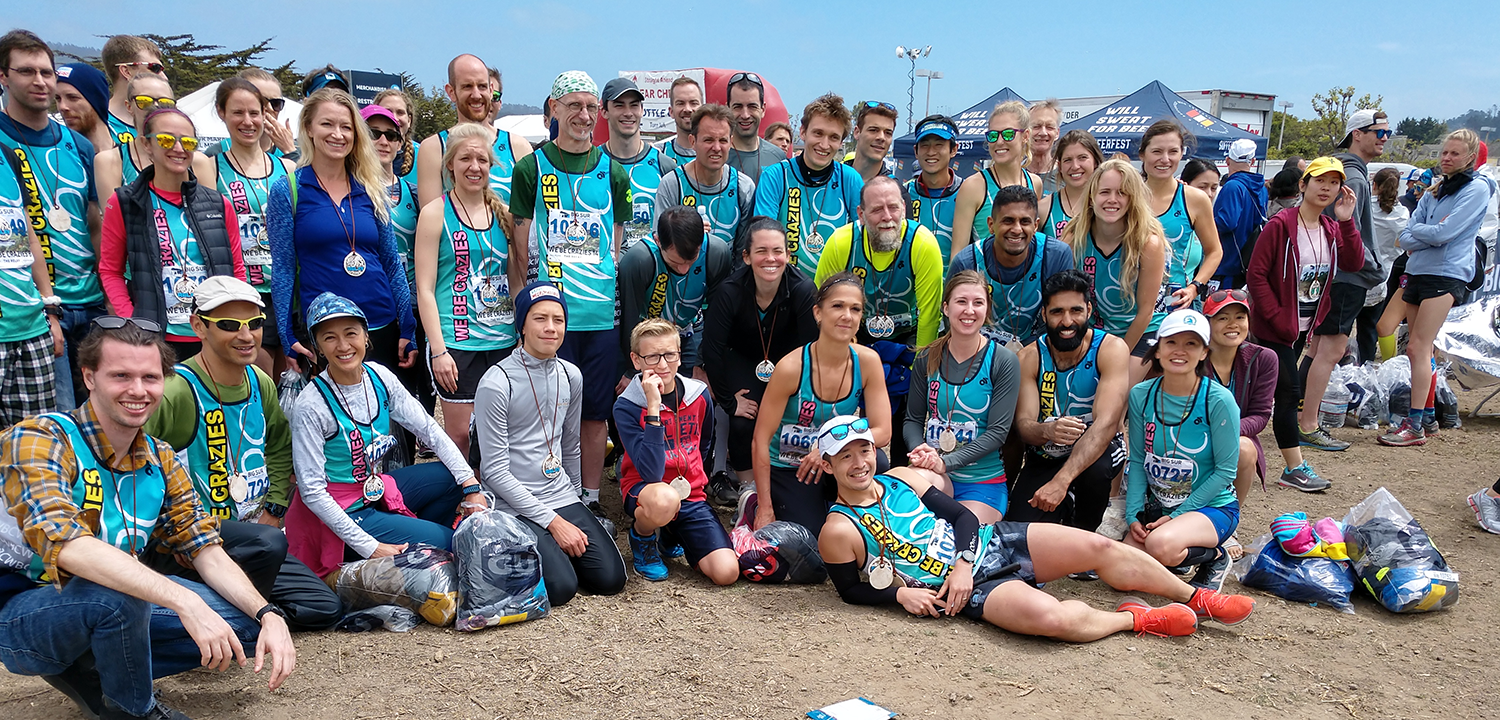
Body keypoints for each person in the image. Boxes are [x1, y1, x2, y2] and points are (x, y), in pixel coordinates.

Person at [0, 318, 295, 720]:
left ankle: (99, 671)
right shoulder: (41, 437)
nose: (138, 390)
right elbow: (67, 545)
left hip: (107, 602)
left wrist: (268, 613)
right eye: (121, 376)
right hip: (23, 609)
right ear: (89, 377)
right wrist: (185, 600)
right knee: (120, 595)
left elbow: (203, 546)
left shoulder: (160, 456)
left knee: (243, 627)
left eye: (150, 377)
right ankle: (132, 709)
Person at [816, 415, 1254, 640]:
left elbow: (963, 517)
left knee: (1099, 547)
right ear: (830, 465)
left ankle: (1196, 597)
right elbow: (850, 590)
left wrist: (964, 562)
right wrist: (899, 595)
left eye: (864, 450)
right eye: (845, 456)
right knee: (1052, 619)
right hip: (964, 589)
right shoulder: (838, 529)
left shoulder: (901, 478)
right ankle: (1135, 619)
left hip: (987, 544)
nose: (859, 463)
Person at [143, 277, 343, 631]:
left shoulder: (259, 381)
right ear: (198, 326)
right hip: (192, 541)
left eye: (255, 323)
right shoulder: (176, 390)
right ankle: (218, 613)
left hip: (251, 538)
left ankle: (231, 613)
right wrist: (174, 533)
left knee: (323, 607)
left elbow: (279, 446)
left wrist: (275, 508)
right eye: (229, 325)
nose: (247, 335)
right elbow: (134, 468)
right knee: (269, 544)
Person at [284, 293, 484, 578]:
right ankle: (406, 548)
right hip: (344, 509)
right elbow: (312, 492)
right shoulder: (311, 405)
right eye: (329, 338)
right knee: (450, 542)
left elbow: (429, 430)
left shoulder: (379, 376)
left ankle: (416, 545)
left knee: (451, 478)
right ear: (317, 347)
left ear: (366, 336)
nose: (343, 346)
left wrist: (470, 485)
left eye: (351, 333)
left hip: (374, 488)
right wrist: (372, 547)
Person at [509, 71, 631, 511]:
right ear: (554, 109)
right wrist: (522, 312)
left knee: (594, 412)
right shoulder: (530, 167)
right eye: (574, 105)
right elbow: (519, 247)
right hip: (550, 315)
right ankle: (550, 497)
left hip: (599, 316)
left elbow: (615, 247)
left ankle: (591, 498)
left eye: (591, 107)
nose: (583, 115)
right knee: (547, 414)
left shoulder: (613, 171)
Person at [473, 281, 628, 606]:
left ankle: (553, 548)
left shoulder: (571, 375)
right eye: (540, 318)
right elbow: (494, 472)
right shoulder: (497, 383)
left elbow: (570, 444)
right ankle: (539, 550)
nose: (551, 328)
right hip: (514, 503)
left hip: (559, 494)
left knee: (610, 579)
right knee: (561, 589)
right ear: (522, 326)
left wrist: (577, 500)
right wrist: (554, 523)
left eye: (558, 320)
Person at [266, 89, 417, 380]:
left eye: (346, 127)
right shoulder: (288, 190)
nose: (338, 134)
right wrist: (286, 335)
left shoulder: (370, 187)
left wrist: (407, 327)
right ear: (308, 128)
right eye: (327, 124)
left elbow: (390, 262)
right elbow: (283, 269)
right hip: (327, 331)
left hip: (380, 325)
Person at [0, 31, 105, 410]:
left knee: (98, 414)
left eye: (47, 72)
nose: (41, 81)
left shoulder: (79, 145)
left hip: (91, 305)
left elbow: (94, 223)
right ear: (3, 77)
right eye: (27, 71)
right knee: (53, 418)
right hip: (33, 312)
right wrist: (46, 304)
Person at [1246, 157, 1362, 490]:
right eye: (1319, 180)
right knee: (1288, 393)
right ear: (1303, 184)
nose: (1326, 188)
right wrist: (1275, 316)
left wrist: (1347, 221)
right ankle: (1293, 468)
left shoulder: (1330, 227)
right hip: (1276, 328)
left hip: (1303, 325)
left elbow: (1354, 262)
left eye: (1334, 182)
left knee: (1267, 391)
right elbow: (1256, 274)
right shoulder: (1280, 225)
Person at [99, 108, 248, 360]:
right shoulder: (125, 202)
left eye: (188, 142)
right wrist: (131, 321)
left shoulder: (219, 204)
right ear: (147, 144)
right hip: (155, 336)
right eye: (166, 140)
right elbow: (110, 270)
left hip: (212, 335)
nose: (178, 148)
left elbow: (237, 270)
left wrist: (234, 320)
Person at [815, 176, 943, 464]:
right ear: (860, 214)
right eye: (876, 210)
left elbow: (930, 316)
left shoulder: (922, 243)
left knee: (905, 409)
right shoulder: (842, 242)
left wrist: (918, 372)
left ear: (904, 209)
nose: (887, 217)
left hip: (907, 336)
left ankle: (901, 470)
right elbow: (822, 307)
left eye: (893, 207)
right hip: (856, 333)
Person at [751, 273, 890, 535]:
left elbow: (883, 431)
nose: (847, 316)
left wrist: (828, 447)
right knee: (809, 540)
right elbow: (760, 439)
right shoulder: (791, 368)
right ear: (818, 313)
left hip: (833, 460)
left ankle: (837, 505)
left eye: (855, 309)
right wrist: (765, 508)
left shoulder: (868, 361)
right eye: (837, 306)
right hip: (790, 465)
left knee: (878, 463)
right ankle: (752, 500)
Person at [415, 122, 521, 457]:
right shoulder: (434, 213)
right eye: (465, 159)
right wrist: (438, 350)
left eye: (482, 160)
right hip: (458, 342)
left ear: (491, 166)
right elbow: (425, 289)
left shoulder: (504, 214)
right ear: (450, 165)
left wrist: (523, 334)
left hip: (502, 341)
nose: (474, 167)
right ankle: (466, 491)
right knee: (461, 436)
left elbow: (515, 280)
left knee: (500, 433)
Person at [1383, 130, 1493, 447]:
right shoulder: (1435, 189)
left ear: (1470, 157)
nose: (1446, 158)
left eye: (1454, 154)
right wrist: (1426, 233)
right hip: (1418, 270)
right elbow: (1405, 236)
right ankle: (1427, 415)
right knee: (1421, 348)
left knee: (1418, 347)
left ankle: (1415, 423)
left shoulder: (1476, 188)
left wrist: (1422, 233)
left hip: (1446, 274)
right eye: (1444, 152)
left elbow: (1444, 233)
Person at [700, 217, 819, 501]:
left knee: (788, 420)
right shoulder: (729, 291)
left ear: (788, 255)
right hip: (743, 359)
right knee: (743, 420)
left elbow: (812, 350)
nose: (770, 259)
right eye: (761, 251)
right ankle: (748, 489)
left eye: (777, 251)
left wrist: (801, 394)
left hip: (789, 363)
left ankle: (787, 479)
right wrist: (729, 401)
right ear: (746, 256)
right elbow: (712, 349)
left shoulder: (803, 289)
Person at [614, 318, 739, 584]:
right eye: (652, 357)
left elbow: (705, 444)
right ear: (636, 360)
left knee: (726, 572)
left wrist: (697, 479)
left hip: (689, 492)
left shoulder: (698, 394)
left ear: (680, 356)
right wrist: (653, 408)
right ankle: (643, 537)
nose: (662, 365)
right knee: (664, 500)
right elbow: (651, 472)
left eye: (669, 354)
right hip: (647, 490)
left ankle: (672, 532)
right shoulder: (627, 405)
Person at [1125, 309, 1242, 591]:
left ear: (1204, 353)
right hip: (1160, 507)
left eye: (1191, 343)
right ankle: (1178, 556)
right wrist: (1133, 515)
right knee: (1124, 570)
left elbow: (1226, 471)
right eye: (1171, 342)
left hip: (1212, 507)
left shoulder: (1218, 399)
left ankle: (1216, 556)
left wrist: (1178, 515)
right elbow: (1139, 459)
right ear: (1157, 349)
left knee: (1160, 545)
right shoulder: (1141, 394)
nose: (1180, 351)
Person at [1007, 270, 1129, 535]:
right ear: (1043, 314)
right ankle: (1064, 507)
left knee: (1096, 471)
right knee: (1018, 532)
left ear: (1089, 310)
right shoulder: (1029, 357)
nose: (1067, 321)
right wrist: (1046, 430)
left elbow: (1107, 424)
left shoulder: (1110, 348)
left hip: (1099, 450)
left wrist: (1061, 481)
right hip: (1047, 453)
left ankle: (1084, 529)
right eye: (1057, 312)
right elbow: (1024, 425)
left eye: (1076, 311)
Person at [193, 78, 298, 377]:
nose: (248, 122)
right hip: (242, 292)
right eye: (238, 113)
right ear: (221, 112)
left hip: (285, 291)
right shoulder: (209, 165)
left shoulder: (287, 168)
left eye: (254, 113)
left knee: (290, 384)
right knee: (255, 380)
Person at [902, 271, 1020, 523]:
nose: (969, 310)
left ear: (987, 310)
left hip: (982, 481)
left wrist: (947, 462)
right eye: (961, 301)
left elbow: (998, 433)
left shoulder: (1003, 360)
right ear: (946, 308)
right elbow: (912, 419)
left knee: (961, 534)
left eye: (978, 303)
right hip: (934, 472)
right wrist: (919, 450)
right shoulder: (926, 357)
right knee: (899, 512)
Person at [1058, 158, 1168, 380]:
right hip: (1093, 332)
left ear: (1132, 199)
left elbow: (1145, 312)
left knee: (1117, 389)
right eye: (1105, 192)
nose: (1112, 199)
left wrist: (1118, 356)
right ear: (1091, 197)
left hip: (1139, 331)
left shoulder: (1148, 243)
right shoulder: (1073, 238)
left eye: (1122, 193)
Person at [1199, 289, 1276, 557]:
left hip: (1234, 438)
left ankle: (1227, 524)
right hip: (1192, 435)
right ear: (1207, 323)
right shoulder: (1194, 356)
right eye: (1222, 318)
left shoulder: (1263, 358)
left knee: (1245, 448)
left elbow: (1261, 415)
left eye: (1240, 317)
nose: (1233, 324)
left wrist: (1225, 433)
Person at [949, 185, 1075, 348]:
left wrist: (1029, 353)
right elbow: (954, 322)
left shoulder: (1056, 255)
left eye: (1025, 221)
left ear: (1035, 226)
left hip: (1038, 349)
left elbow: (1062, 318)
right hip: (979, 350)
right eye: (1008, 221)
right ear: (991, 225)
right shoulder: (967, 262)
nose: (1016, 229)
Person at [618, 205, 732, 378]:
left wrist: (702, 363)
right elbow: (629, 319)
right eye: (675, 262)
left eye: (691, 260)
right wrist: (633, 371)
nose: (684, 269)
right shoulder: (639, 260)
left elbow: (717, 316)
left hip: (688, 331)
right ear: (658, 241)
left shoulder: (716, 253)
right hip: (648, 342)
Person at [754, 93, 864, 271]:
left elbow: (862, 239)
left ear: (841, 142)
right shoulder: (775, 176)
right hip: (785, 282)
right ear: (803, 132)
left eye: (833, 137)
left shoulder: (850, 179)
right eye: (818, 133)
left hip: (834, 283)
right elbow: (763, 237)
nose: (824, 144)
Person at [0, 126, 64, 426]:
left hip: (31, 327)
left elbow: (29, 237)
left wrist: (50, 310)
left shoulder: (7, 155)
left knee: (36, 440)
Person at [417, 54, 532, 207]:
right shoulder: (434, 148)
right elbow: (430, 216)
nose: (476, 95)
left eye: (482, 86)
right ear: (451, 92)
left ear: (491, 89)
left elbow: (530, 214)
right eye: (467, 86)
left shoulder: (518, 147)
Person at [1324, 109, 1391, 368]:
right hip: (1346, 277)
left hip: (1339, 275)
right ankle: (1304, 395)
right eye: (1379, 132)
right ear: (1357, 134)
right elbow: (1348, 235)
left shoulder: (1346, 171)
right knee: (1330, 351)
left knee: (1321, 349)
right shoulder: (1352, 177)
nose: (1385, 138)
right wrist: (1374, 267)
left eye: (1388, 132)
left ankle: (1303, 393)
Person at [1139, 120, 1222, 315]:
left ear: (1182, 154)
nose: (1165, 159)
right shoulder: (1125, 195)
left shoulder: (1194, 199)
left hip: (1172, 303)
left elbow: (1215, 251)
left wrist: (1195, 287)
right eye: (1157, 151)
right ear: (1142, 154)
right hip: (1127, 302)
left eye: (1173, 152)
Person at [653, 104, 756, 252]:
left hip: (728, 267)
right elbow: (660, 244)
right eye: (708, 140)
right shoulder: (673, 184)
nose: (716, 148)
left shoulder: (743, 187)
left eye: (723, 140)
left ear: (731, 142)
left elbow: (744, 251)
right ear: (693, 142)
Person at [952, 101, 1043, 250]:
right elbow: (958, 253)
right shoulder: (974, 187)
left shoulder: (1035, 183)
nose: (999, 142)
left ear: (1025, 135)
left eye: (1008, 134)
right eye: (993, 135)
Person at [600, 77, 676, 252]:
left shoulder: (664, 165)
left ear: (642, 110)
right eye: (619, 105)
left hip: (654, 264)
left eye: (634, 105)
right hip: (607, 265)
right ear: (604, 111)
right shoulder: (592, 164)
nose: (628, 113)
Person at [94, 72, 176, 203]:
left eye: (165, 103)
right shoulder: (110, 161)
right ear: (129, 106)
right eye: (144, 101)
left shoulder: (194, 161)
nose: (155, 107)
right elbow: (112, 214)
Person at [905, 115, 962, 271]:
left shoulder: (968, 193)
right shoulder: (903, 193)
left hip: (955, 284)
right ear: (916, 151)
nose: (931, 152)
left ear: (953, 149)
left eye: (939, 145)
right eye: (925, 145)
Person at [1212, 138, 1266, 290]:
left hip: (1226, 264)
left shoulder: (1232, 186)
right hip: (1249, 261)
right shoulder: (1262, 188)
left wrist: (1202, 223)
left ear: (1227, 161)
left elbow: (1226, 223)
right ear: (1253, 161)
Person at [100, 34, 164, 146]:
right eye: (155, 68)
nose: (164, 77)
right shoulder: (97, 123)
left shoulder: (166, 122)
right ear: (126, 71)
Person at [1040, 130, 1103, 241]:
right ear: (1059, 166)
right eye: (1068, 160)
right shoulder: (1043, 209)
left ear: (1095, 162)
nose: (1075, 166)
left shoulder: (1109, 204)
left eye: (1082, 157)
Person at [725, 71, 787, 184]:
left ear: (763, 109)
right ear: (728, 109)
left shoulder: (778, 158)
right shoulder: (717, 156)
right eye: (738, 107)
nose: (745, 115)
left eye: (752, 106)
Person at [54, 63, 113, 156]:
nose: (62, 107)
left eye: (72, 98)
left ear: (97, 100)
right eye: (58, 98)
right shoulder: (58, 157)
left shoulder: (131, 156)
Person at [653, 76, 702, 166]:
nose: (687, 109)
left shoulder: (717, 152)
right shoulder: (658, 154)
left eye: (693, 103)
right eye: (680, 103)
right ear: (671, 112)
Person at [373, 88, 419, 184]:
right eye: (388, 111)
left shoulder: (424, 155)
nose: (394, 118)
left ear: (409, 120)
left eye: (400, 112)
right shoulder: (359, 155)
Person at [1025, 100, 1063, 198]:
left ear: (1057, 133)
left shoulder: (1066, 175)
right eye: (1036, 126)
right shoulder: (1014, 174)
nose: (1043, 133)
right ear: (1026, 132)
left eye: (1049, 127)